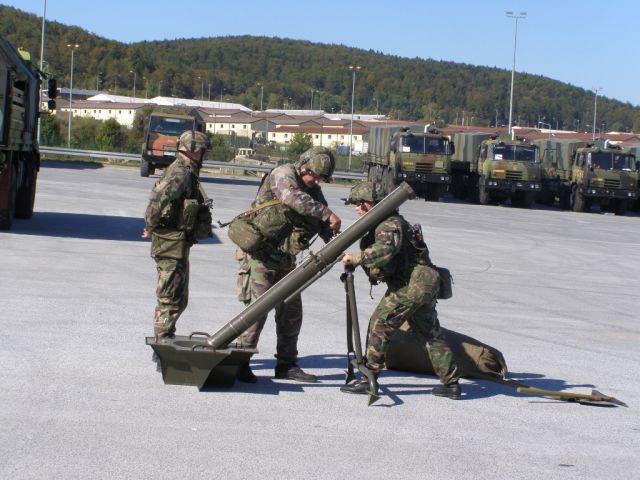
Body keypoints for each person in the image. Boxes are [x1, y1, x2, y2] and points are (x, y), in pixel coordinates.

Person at [340, 181, 461, 399]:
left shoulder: (389, 224)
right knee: (429, 333)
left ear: (371, 203)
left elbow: (385, 250)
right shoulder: (392, 222)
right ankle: (451, 383)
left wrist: (356, 258)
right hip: (424, 284)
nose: (357, 208)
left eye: (359, 203)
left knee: (380, 323)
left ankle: (370, 377)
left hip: (412, 284)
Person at [235, 146, 341, 383]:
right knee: (257, 312)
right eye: (313, 176)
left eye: (320, 179)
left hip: (284, 257)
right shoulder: (283, 174)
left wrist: (335, 239)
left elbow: (322, 222)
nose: (315, 181)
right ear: (304, 166)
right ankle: (240, 362)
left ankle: (287, 364)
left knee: (291, 311)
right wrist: (327, 214)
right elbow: (291, 198)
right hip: (260, 255)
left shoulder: (313, 189)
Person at [143, 130, 212, 338]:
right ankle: (161, 342)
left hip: (177, 243)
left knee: (179, 299)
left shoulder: (187, 172)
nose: (206, 156)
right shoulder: (180, 174)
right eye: (203, 151)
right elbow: (157, 200)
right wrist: (151, 225)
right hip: (169, 243)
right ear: (193, 150)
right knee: (170, 298)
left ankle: (165, 338)